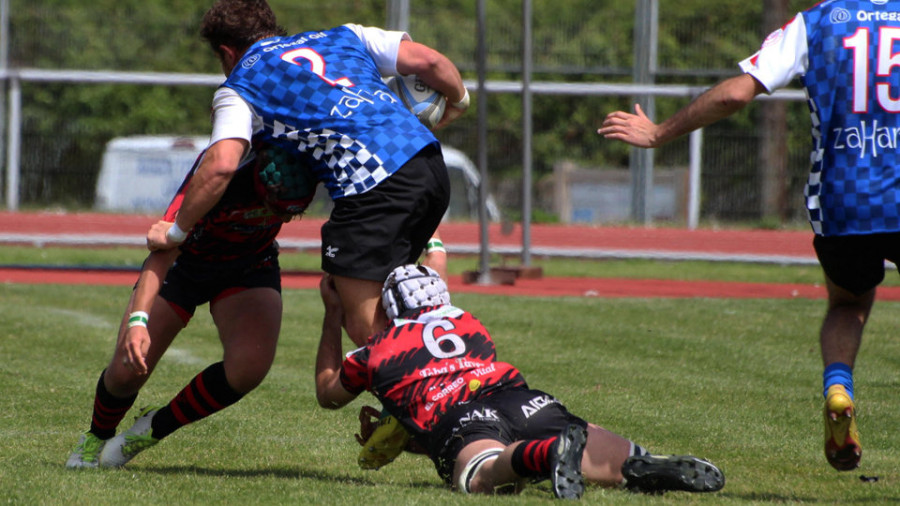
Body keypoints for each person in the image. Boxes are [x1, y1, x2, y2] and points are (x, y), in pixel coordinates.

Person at [597, 1, 900, 472]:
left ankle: (839, 387)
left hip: (844, 199)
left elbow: (734, 95)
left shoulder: (818, 21)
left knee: (849, 303)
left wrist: (659, 133)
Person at [146, 0, 469, 348]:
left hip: (369, 186)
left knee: (366, 330)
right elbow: (429, 61)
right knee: (410, 301)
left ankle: (433, 392)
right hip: (429, 163)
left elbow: (221, 165)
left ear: (226, 53)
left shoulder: (240, 84)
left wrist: (177, 231)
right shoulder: (346, 35)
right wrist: (459, 101)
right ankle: (437, 381)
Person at [314, 264, 725, 498]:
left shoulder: (376, 350)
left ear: (389, 312)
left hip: (462, 416)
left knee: (480, 474)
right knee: (597, 452)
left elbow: (329, 394)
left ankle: (545, 453)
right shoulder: (470, 324)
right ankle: (636, 462)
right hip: (522, 398)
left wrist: (333, 312)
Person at [65, 144, 317, 468]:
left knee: (248, 368)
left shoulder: (307, 157)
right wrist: (138, 321)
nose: (283, 217)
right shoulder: (216, 181)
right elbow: (163, 252)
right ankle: (96, 437)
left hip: (249, 264)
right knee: (127, 369)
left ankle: (153, 428)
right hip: (183, 266)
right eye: (278, 207)